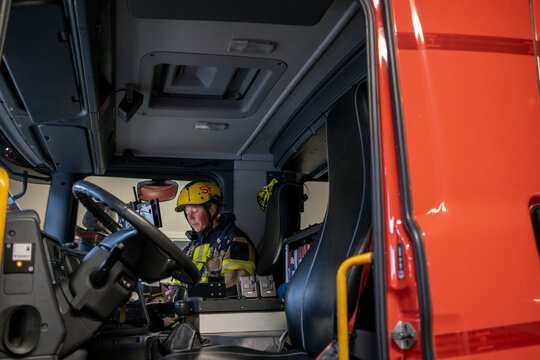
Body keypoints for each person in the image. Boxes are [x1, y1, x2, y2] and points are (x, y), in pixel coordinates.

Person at [175, 181, 256, 294]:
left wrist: (189, 293)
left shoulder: (235, 241)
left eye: (194, 211)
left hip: (214, 310)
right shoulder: (194, 244)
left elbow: (234, 289)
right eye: (187, 213)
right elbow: (181, 280)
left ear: (212, 210)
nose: (191, 218)